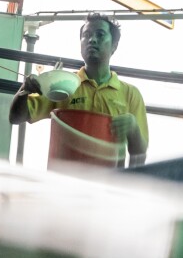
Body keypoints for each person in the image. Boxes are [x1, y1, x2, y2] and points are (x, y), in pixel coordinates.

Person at [8, 14, 149, 166]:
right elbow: (16, 118)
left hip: (107, 183)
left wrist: (133, 128)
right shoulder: (62, 83)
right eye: (86, 35)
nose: (92, 40)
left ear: (114, 45)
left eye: (100, 35)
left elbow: (139, 153)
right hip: (64, 180)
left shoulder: (130, 94)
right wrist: (24, 91)